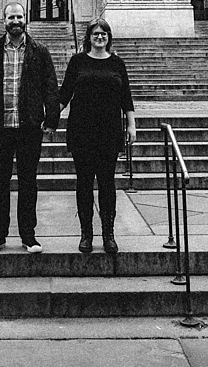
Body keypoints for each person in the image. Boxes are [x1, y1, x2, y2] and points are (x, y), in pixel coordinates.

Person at [0, 2, 59, 253]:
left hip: (28, 126)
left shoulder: (39, 51)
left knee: (28, 181)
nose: (16, 21)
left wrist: (51, 119)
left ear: (26, 19)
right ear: (4, 19)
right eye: (11, 16)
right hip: (0, 127)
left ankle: (28, 235)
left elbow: (50, 86)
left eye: (19, 16)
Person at [59, 19, 136, 255]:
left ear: (109, 37)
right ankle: (86, 234)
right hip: (82, 131)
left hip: (109, 131)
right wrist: (49, 117)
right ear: (89, 37)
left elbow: (126, 97)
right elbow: (64, 94)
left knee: (107, 183)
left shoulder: (117, 63)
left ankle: (108, 234)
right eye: (96, 34)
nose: (100, 37)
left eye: (103, 34)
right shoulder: (77, 61)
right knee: (83, 183)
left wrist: (132, 125)